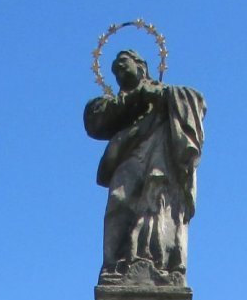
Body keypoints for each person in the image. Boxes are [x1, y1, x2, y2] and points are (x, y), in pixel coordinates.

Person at [83, 48, 206, 282]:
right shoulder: (116, 103)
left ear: (142, 67)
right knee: (119, 201)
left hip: (161, 162)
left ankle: (160, 261)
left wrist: (164, 96)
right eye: (114, 70)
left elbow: (197, 100)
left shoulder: (165, 94)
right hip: (129, 159)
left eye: (123, 62)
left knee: (158, 204)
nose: (118, 69)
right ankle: (114, 264)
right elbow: (95, 122)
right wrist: (137, 97)